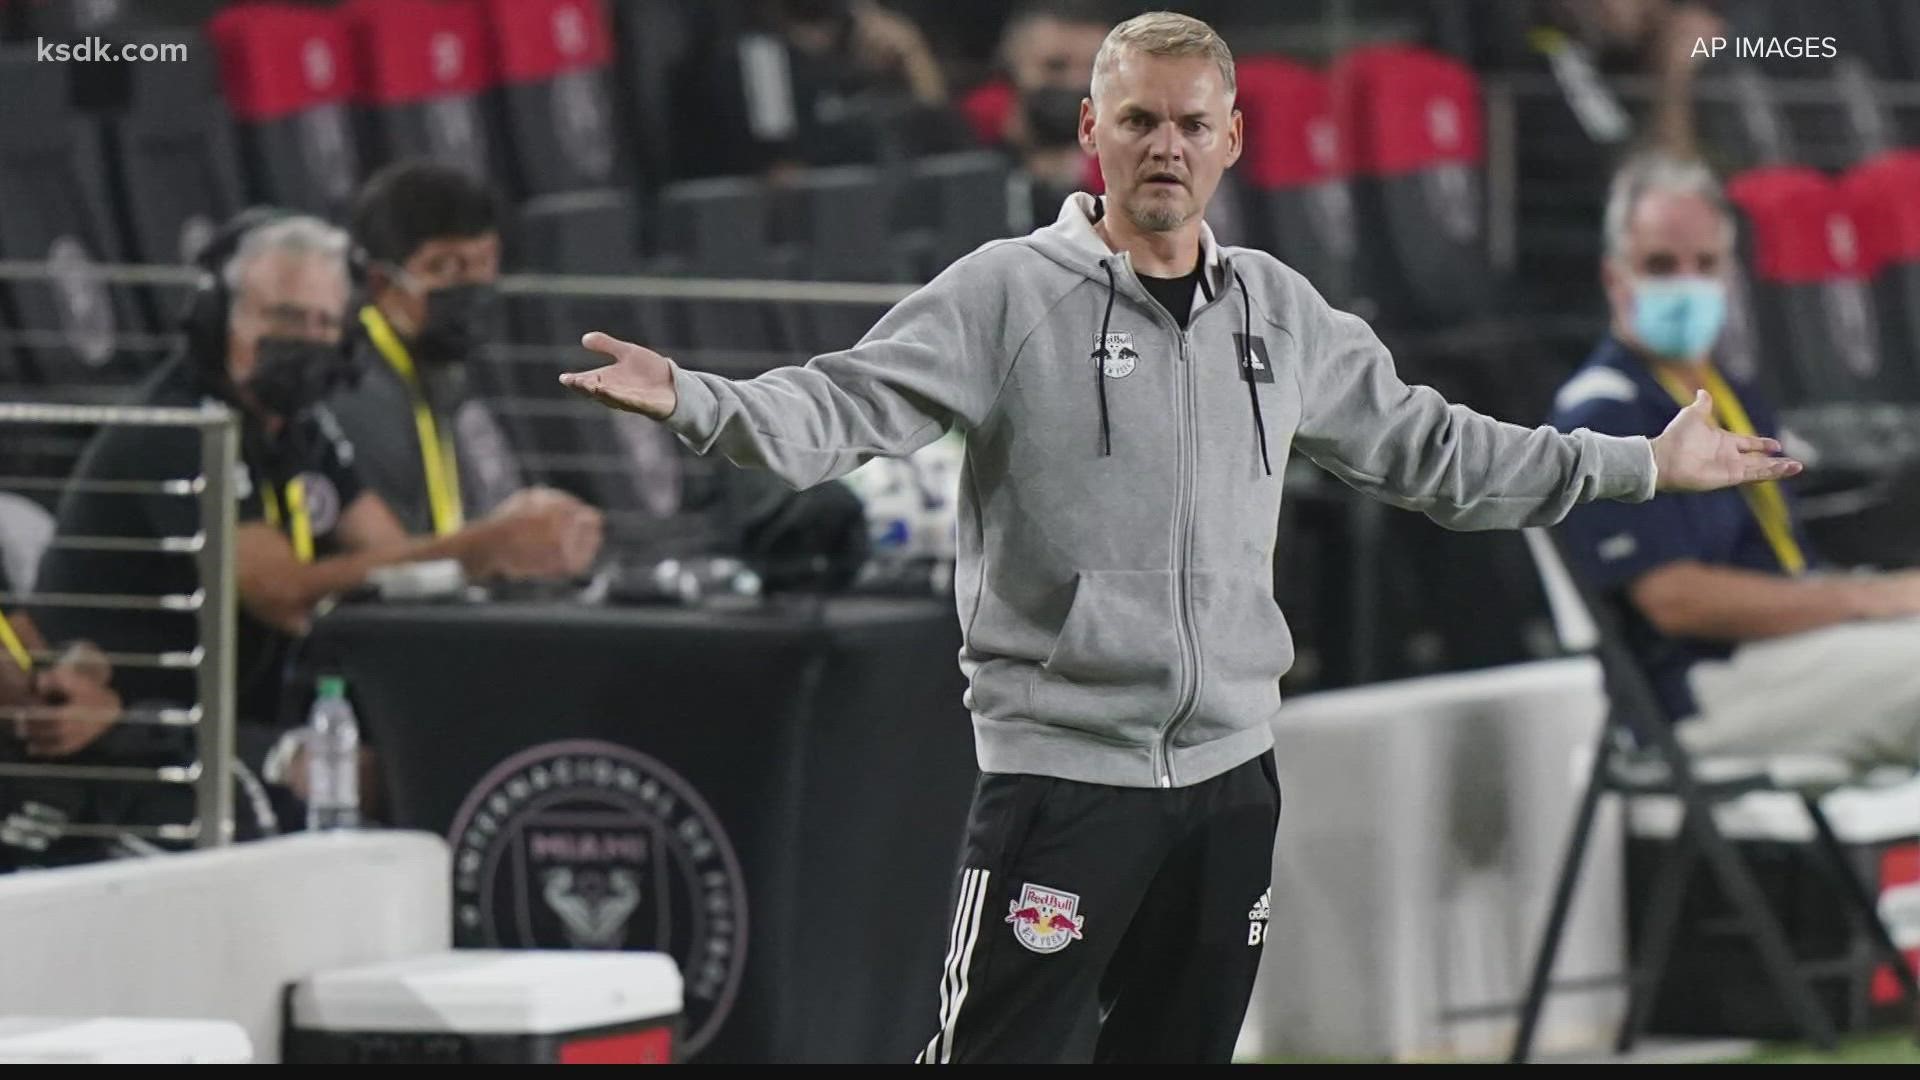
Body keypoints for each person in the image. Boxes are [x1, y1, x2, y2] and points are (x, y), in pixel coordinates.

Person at [563, 13, 1795, 1063]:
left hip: (1228, 786)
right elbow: (840, 404)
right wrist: (698, 401)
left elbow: (1441, 454)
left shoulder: (1280, 311)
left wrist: (1639, 463)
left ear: (1232, 140)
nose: (1167, 145)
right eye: (1141, 119)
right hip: (1059, 781)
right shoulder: (1004, 293)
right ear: (1091, 133)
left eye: (1192, 124)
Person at [33, 212, 602, 834]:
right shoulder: (180, 429)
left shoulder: (302, 427)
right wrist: (481, 544)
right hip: (131, 724)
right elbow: (281, 593)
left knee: (436, 750)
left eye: (323, 324)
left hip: (232, 716)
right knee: (374, 781)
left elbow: (393, 556)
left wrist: (507, 556)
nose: (304, 341)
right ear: (218, 319)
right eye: (282, 318)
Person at [1551, 152, 1920, 768]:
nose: (1686, 283)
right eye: (1661, 265)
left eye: (1705, 265)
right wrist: (1867, 600)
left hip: (1789, 650)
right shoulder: (1601, 410)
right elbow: (1677, 600)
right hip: (1702, 686)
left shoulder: (1734, 393)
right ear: (1616, 278)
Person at [331, 160, 600, 543]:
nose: (474, 286)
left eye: (485, 261)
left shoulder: (432, 365)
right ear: (378, 281)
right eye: (447, 267)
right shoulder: (357, 388)